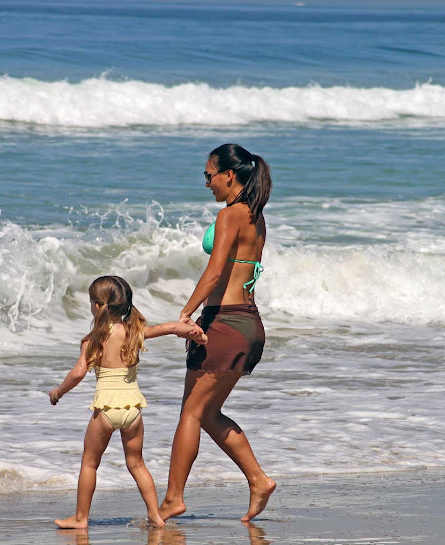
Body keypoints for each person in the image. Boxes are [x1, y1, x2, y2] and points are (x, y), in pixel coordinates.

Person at [159, 143, 276, 522]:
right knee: (208, 414)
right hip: (248, 322)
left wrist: (186, 313)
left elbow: (214, 271)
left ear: (229, 174)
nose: (206, 183)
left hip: (223, 322)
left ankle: (173, 498)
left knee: (190, 414)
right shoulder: (256, 215)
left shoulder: (231, 215)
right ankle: (258, 480)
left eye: (209, 176)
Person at [49, 275, 207, 529]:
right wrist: (192, 331)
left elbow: (78, 373)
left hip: (106, 409)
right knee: (136, 463)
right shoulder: (134, 333)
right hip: (133, 409)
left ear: (99, 306)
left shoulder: (93, 340)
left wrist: (58, 392)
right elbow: (168, 328)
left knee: (90, 462)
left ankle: (80, 518)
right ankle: (155, 515)